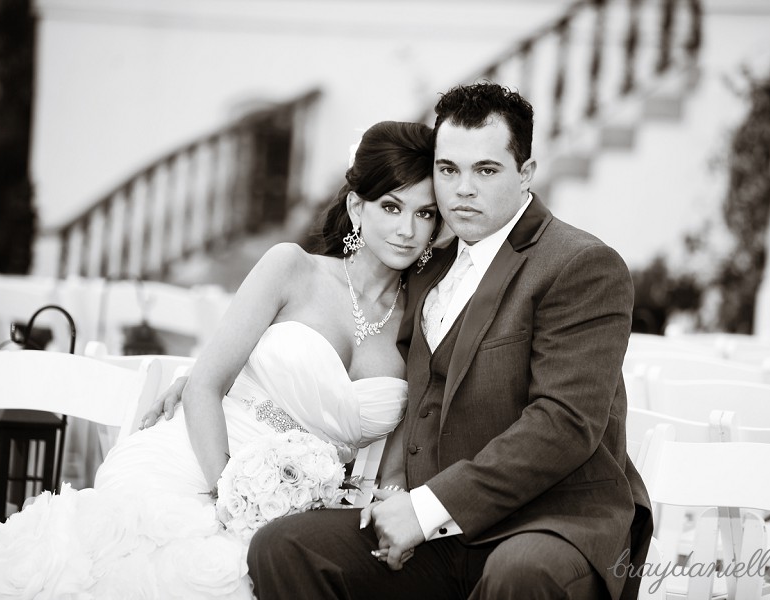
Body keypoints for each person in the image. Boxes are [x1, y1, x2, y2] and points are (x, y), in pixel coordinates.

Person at [0, 120, 439, 600]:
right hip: (200, 456)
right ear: (357, 206)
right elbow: (205, 384)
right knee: (169, 563)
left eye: (425, 214)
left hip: (303, 505)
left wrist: (383, 506)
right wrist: (232, 494)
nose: (406, 230)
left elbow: (397, 464)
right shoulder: (292, 267)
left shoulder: (426, 318)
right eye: (391, 207)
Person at [243, 83, 654, 600]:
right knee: (284, 547)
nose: (462, 189)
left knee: (519, 574)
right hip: (440, 533)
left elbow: (565, 423)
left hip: (551, 523)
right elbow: (366, 356)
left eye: (486, 170)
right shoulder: (427, 266)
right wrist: (227, 375)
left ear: (525, 173)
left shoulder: (580, 265)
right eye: (447, 169)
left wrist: (426, 507)